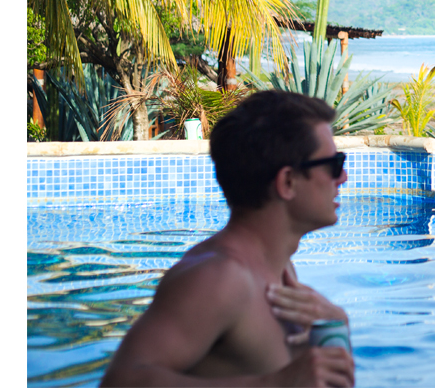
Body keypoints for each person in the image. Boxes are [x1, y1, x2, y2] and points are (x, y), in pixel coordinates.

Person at [100, 91, 356, 387]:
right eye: (334, 164)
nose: (344, 177)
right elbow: (121, 381)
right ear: (287, 182)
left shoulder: (281, 272)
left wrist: (337, 325)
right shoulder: (219, 277)